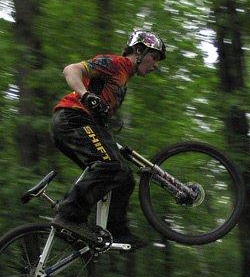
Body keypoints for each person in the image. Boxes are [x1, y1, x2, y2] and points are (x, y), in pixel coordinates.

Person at [50, 30, 166, 249]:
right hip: (72, 118)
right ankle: (68, 215)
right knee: (110, 165)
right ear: (139, 51)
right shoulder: (115, 63)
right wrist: (85, 95)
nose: (155, 65)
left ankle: (117, 231)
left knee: (124, 177)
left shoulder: (123, 82)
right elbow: (71, 70)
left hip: (82, 123)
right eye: (154, 57)